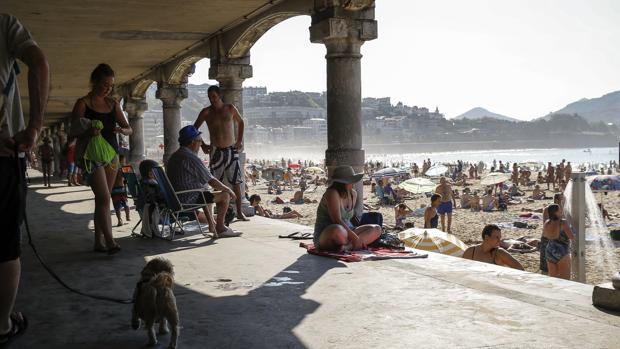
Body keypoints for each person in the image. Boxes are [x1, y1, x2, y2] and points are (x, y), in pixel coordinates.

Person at [0, 14, 49, 346]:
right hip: (3, 155)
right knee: (5, 245)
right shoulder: (4, 25)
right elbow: (39, 62)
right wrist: (34, 125)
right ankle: (2, 324)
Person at [71, 64, 131, 254]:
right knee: (105, 197)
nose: (108, 88)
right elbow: (73, 131)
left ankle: (98, 241)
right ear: (95, 81)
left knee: (101, 200)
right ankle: (111, 241)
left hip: (111, 155)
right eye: (104, 84)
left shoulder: (113, 104)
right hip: (92, 155)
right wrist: (88, 131)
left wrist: (122, 130)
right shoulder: (83, 103)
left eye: (111, 85)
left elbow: (130, 128)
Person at [166, 125, 240, 238]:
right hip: (187, 199)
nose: (201, 144)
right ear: (192, 142)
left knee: (207, 192)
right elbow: (211, 181)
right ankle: (220, 228)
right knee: (225, 195)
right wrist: (229, 190)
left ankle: (212, 225)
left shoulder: (175, 156)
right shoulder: (191, 158)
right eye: (199, 141)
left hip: (175, 198)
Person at [194, 85, 248, 221]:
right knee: (213, 182)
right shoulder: (206, 112)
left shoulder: (229, 108)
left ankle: (240, 212)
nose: (212, 99)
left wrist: (240, 140)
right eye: (209, 97)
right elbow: (194, 129)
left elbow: (241, 122)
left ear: (219, 95)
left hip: (231, 149)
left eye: (214, 96)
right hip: (215, 151)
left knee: (236, 181)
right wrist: (203, 145)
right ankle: (214, 214)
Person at [313, 165, 381, 251]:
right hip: (328, 233)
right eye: (351, 180)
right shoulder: (332, 193)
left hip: (349, 231)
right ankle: (354, 243)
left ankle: (348, 247)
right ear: (343, 182)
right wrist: (355, 237)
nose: (353, 183)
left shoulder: (353, 194)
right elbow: (336, 220)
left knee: (376, 228)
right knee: (338, 230)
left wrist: (354, 234)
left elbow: (350, 219)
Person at [543, 204, 574, 279]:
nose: (561, 211)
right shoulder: (563, 222)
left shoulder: (547, 223)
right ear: (555, 212)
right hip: (562, 250)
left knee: (553, 278)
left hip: (549, 249)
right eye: (559, 210)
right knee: (565, 279)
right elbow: (571, 237)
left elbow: (545, 235)